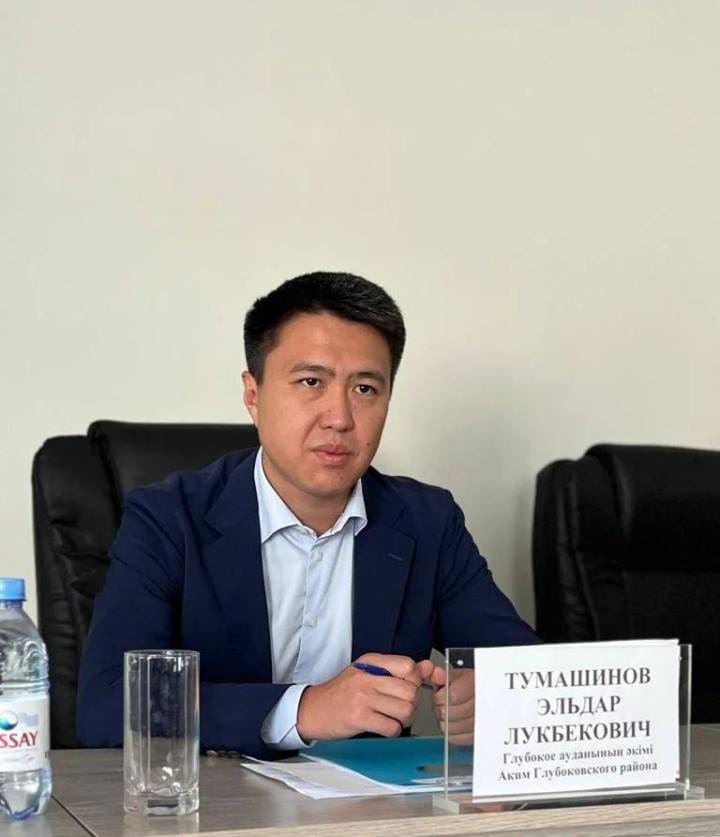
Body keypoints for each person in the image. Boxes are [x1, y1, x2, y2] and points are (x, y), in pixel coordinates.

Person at [77, 271, 537, 757]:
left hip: (370, 800)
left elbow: (535, 678)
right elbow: (106, 705)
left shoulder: (427, 522)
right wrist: (304, 709)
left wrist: (495, 698)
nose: (339, 418)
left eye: (365, 389)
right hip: (211, 796)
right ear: (253, 395)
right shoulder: (168, 518)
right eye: (311, 382)